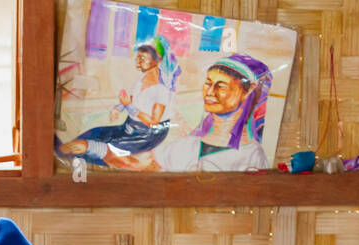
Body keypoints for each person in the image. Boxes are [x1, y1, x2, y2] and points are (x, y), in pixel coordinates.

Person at [104, 53, 273, 173]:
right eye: (208, 83)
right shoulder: (186, 146)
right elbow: (141, 163)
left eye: (221, 86)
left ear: (247, 92)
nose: (210, 92)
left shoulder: (252, 157)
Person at [58, 37, 179, 166]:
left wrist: (129, 106)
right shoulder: (142, 79)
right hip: (130, 126)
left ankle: (70, 154)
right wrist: (119, 108)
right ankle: (62, 153)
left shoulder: (161, 88)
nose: (137, 62)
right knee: (94, 133)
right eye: (137, 57)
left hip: (147, 135)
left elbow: (154, 121)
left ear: (158, 59)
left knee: (97, 148)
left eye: (142, 58)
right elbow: (132, 100)